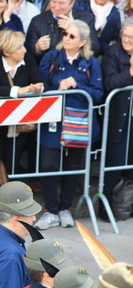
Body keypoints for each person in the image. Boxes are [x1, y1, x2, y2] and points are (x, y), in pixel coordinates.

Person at [35, 20, 103, 230]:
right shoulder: (52, 56)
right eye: (65, 33)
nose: (66, 37)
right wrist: (57, 84)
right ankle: (51, 210)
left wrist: (77, 84)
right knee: (48, 165)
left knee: (73, 166)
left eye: (71, 36)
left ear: (82, 41)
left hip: (78, 121)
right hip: (53, 120)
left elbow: (99, 93)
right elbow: (40, 82)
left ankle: (65, 209)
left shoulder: (91, 62)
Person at [0, 29, 45, 224]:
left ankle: (12, 212)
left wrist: (37, 88)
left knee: (13, 168)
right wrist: (21, 90)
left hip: (19, 127)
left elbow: (40, 82)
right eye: (20, 47)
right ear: (8, 51)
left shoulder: (28, 62)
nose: (24, 50)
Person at [99, 18, 133, 221]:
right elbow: (110, 83)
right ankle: (105, 210)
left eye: (131, 37)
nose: (127, 40)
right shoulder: (112, 53)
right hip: (120, 121)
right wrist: (130, 72)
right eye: (125, 36)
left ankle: (126, 207)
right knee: (115, 164)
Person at [26, 0, 100, 63]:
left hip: (78, 68)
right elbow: (27, 52)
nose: (57, 7)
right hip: (49, 70)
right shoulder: (37, 21)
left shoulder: (86, 18)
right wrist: (37, 47)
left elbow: (95, 49)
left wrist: (74, 27)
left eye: (61, 3)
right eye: (54, 2)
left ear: (72, 3)